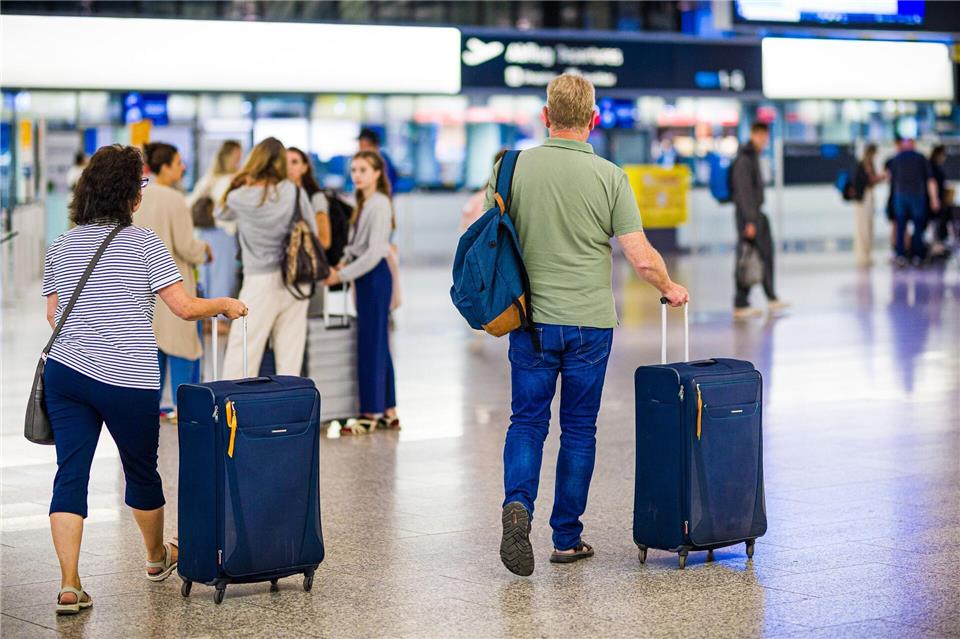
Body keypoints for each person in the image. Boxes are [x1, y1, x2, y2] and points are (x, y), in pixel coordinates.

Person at [479, 74, 689, 576]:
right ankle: (567, 538)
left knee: (527, 421)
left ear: (545, 116)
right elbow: (640, 257)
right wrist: (669, 287)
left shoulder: (512, 168)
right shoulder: (610, 176)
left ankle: (518, 506)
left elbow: (488, 233)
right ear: (593, 120)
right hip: (590, 326)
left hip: (531, 320)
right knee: (578, 429)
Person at [41, 144, 246, 615]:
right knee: (140, 471)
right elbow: (184, 308)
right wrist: (224, 305)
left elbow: (54, 315)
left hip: (67, 374)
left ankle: (69, 585)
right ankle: (156, 558)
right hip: (126, 379)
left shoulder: (61, 244)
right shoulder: (144, 243)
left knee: (70, 473)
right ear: (129, 195)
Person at [218, 137, 317, 378]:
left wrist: (238, 182)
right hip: (295, 278)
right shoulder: (293, 191)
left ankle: (233, 400)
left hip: (259, 281)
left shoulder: (239, 196)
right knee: (290, 355)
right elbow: (312, 230)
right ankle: (289, 401)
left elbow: (220, 213)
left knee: (244, 351)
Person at [324, 151, 399, 434]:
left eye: (363, 170)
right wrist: (344, 260)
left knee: (370, 344)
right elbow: (357, 246)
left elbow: (375, 252)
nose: (357, 175)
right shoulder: (364, 202)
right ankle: (388, 409)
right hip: (366, 277)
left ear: (377, 173)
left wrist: (341, 274)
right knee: (378, 342)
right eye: (354, 170)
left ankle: (370, 412)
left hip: (375, 277)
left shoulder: (379, 204)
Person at [136, 142, 211, 422]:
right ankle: (184, 409)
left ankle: (148, 410)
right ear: (165, 167)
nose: (183, 168)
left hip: (143, 285)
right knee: (182, 347)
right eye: (178, 163)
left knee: (152, 351)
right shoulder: (174, 199)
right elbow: (186, 246)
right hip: (173, 282)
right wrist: (205, 250)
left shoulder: (137, 195)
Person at [730, 122, 789, 319]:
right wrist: (750, 221)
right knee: (746, 256)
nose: (764, 140)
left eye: (766, 136)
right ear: (754, 134)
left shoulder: (753, 156)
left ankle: (770, 296)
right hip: (748, 216)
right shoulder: (744, 159)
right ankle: (740, 302)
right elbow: (744, 192)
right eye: (762, 136)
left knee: (765, 254)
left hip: (756, 214)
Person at [888, 138, 940, 267]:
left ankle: (901, 256)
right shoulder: (921, 158)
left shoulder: (896, 159)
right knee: (918, 227)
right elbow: (930, 180)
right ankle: (918, 256)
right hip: (917, 196)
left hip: (900, 197)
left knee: (901, 227)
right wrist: (934, 199)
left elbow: (890, 180)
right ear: (913, 145)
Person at [193, 197, 238, 301]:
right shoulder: (227, 237)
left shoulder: (201, 238)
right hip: (228, 297)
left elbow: (203, 278)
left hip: (210, 299)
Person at [287, 146, 332, 250]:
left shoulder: (316, 197)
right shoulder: (278, 196)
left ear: (304, 168)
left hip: (304, 256)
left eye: (294, 162)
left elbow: (324, 241)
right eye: (284, 162)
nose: (288, 167)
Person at [851, 144, 884, 267]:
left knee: (868, 227)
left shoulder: (868, 165)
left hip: (868, 197)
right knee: (863, 228)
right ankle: (862, 256)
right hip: (862, 200)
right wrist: (881, 177)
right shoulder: (863, 166)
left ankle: (867, 254)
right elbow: (868, 181)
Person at [187, 140, 242, 210]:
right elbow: (195, 197)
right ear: (227, 154)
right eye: (236, 153)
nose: (239, 156)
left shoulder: (238, 176)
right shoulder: (211, 178)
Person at [358, 127, 398, 193]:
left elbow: (388, 186)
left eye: (363, 146)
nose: (361, 150)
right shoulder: (367, 160)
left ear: (374, 146)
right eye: (360, 146)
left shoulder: (383, 161)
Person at [929, 145, 950, 252]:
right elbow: (931, 183)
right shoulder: (932, 167)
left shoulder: (936, 166)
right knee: (937, 221)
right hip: (934, 200)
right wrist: (934, 199)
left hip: (938, 199)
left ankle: (939, 243)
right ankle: (937, 245)